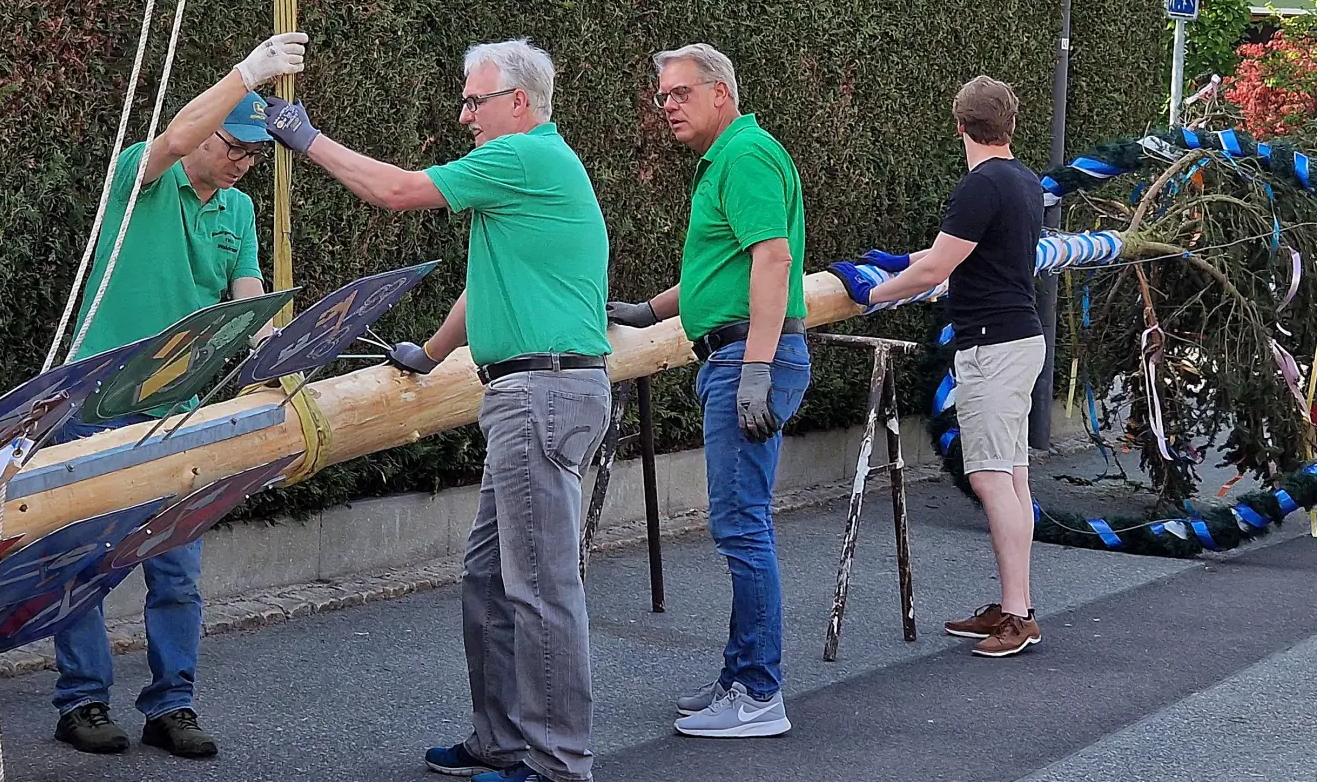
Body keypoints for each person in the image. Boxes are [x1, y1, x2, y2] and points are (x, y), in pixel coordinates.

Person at [264, 39, 611, 782]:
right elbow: (486, 282)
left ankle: (557, 766)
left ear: (518, 104)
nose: (463, 116)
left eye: (473, 101)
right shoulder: (527, 174)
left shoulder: (525, 158)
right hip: (535, 394)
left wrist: (305, 136)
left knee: (542, 591)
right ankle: (502, 743)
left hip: (540, 398)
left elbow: (394, 190)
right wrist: (430, 349)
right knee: (490, 580)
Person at [50, 31, 308, 757]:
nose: (245, 160)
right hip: (99, 400)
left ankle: (172, 705)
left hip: (180, 410)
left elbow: (246, 290)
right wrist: (247, 73)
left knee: (178, 574)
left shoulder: (239, 210)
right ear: (208, 133)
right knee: (84, 560)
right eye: (236, 145)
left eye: (257, 153)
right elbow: (174, 135)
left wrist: (267, 340)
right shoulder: (146, 178)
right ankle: (82, 703)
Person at [606, 44, 810, 738]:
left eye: (680, 93)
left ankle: (758, 694)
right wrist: (652, 311)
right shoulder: (733, 156)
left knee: (743, 528)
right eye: (662, 95)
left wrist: (755, 369)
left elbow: (773, 261)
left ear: (721, 92)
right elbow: (721, 269)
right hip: (742, 355)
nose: (668, 105)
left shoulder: (745, 157)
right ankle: (740, 677)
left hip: (749, 360)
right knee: (740, 526)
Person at [832, 75, 1045, 658]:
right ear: (1010, 124)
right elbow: (958, 253)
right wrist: (901, 260)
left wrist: (871, 295)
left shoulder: (979, 184)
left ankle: (1018, 615)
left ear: (958, 126)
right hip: (1019, 341)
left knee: (989, 478)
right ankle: (1014, 606)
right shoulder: (1023, 180)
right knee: (1013, 476)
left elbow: (936, 272)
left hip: (991, 347)